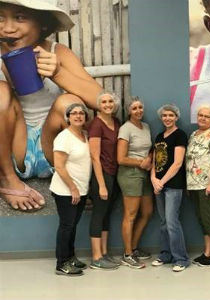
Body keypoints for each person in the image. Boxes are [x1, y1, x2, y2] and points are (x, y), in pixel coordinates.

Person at [0, 0, 103, 211]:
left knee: (70, 103)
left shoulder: (58, 51)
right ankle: (7, 179)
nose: (8, 28)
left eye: (20, 17)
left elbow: (101, 100)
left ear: (43, 24)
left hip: (54, 149)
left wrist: (58, 73)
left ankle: (77, 179)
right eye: (0, 17)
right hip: (11, 149)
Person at [50, 103, 91, 276]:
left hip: (80, 190)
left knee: (73, 226)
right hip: (66, 191)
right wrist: (73, 188)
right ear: (68, 117)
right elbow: (59, 166)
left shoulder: (84, 135)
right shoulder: (63, 137)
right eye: (73, 113)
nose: (78, 116)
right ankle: (61, 264)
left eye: (81, 113)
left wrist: (80, 189)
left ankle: (70, 257)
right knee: (66, 226)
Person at [150, 104, 190, 272]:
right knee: (164, 222)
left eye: (171, 115)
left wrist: (162, 181)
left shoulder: (180, 135)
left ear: (176, 117)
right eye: (164, 115)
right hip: (158, 185)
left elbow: (178, 163)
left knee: (172, 221)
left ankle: (181, 258)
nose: (167, 118)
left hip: (173, 185)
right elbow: (155, 161)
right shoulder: (159, 136)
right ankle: (166, 254)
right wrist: (153, 178)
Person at [186, 104, 210, 267]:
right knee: (203, 220)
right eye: (200, 115)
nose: (202, 118)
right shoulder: (194, 135)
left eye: (207, 116)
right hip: (194, 186)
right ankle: (207, 252)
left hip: (209, 185)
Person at [117, 97, 153, 269]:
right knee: (130, 215)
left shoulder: (146, 127)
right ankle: (128, 254)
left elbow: (149, 150)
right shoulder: (125, 129)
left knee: (147, 212)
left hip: (145, 173)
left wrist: (149, 159)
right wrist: (140, 163)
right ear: (129, 111)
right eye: (134, 108)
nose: (138, 111)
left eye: (140, 107)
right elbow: (121, 158)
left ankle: (134, 247)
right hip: (130, 174)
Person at [88, 92, 121, 270]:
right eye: (104, 102)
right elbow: (94, 157)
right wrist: (101, 184)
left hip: (115, 175)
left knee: (107, 215)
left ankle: (104, 253)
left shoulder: (116, 122)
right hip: (102, 175)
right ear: (99, 105)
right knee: (99, 215)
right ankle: (96, 257)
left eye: (110, 101)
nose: (108, 104)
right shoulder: (96, 125)